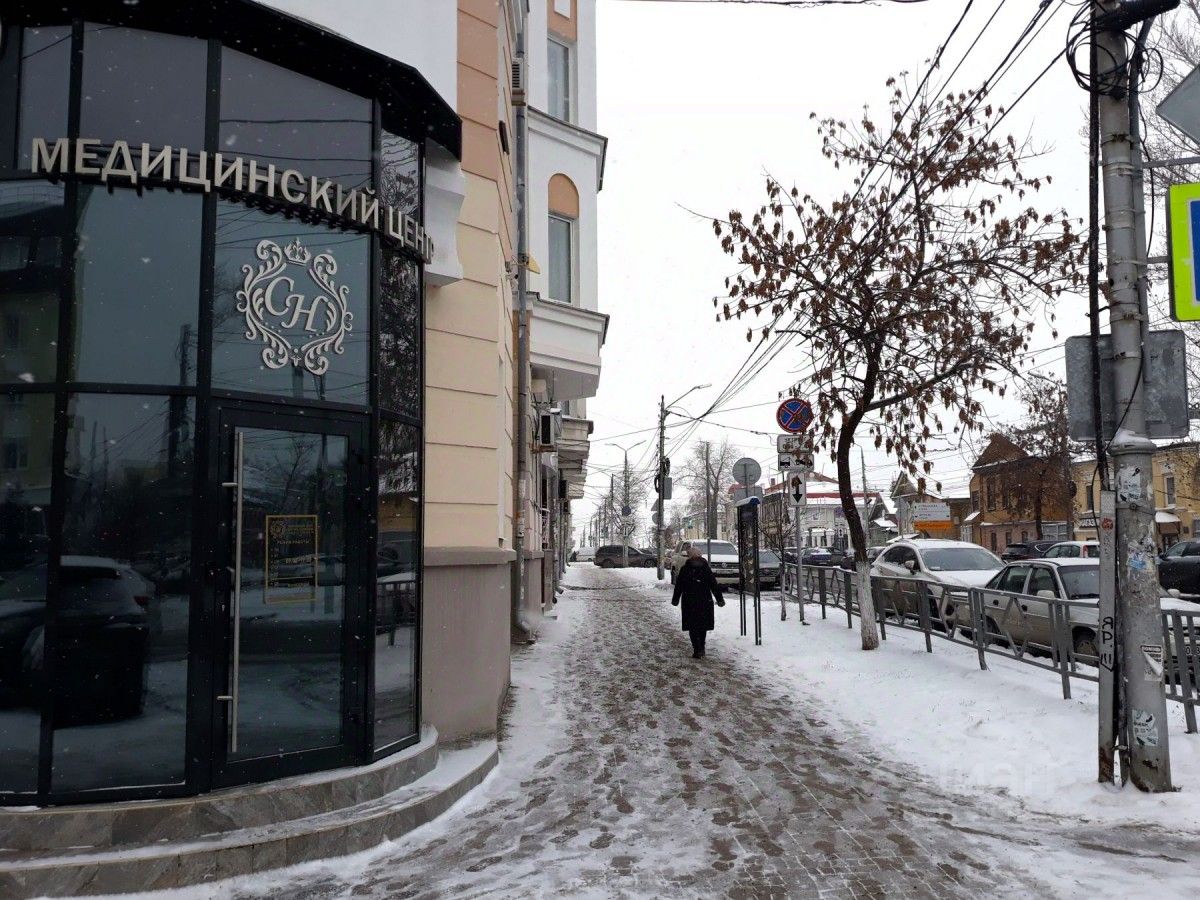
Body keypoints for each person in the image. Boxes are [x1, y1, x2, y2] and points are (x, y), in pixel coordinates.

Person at [671, 545, 725, 658]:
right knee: (702, 626)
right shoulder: (706, 568)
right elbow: (714, 584)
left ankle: (697, 649)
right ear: (700, 556)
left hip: (689, 601)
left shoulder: (685, 569)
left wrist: (675, 599)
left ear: (690, 556)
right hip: (704, 600)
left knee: (693, 626)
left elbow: (679, 586)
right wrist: (720, 599)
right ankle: (702, 647)